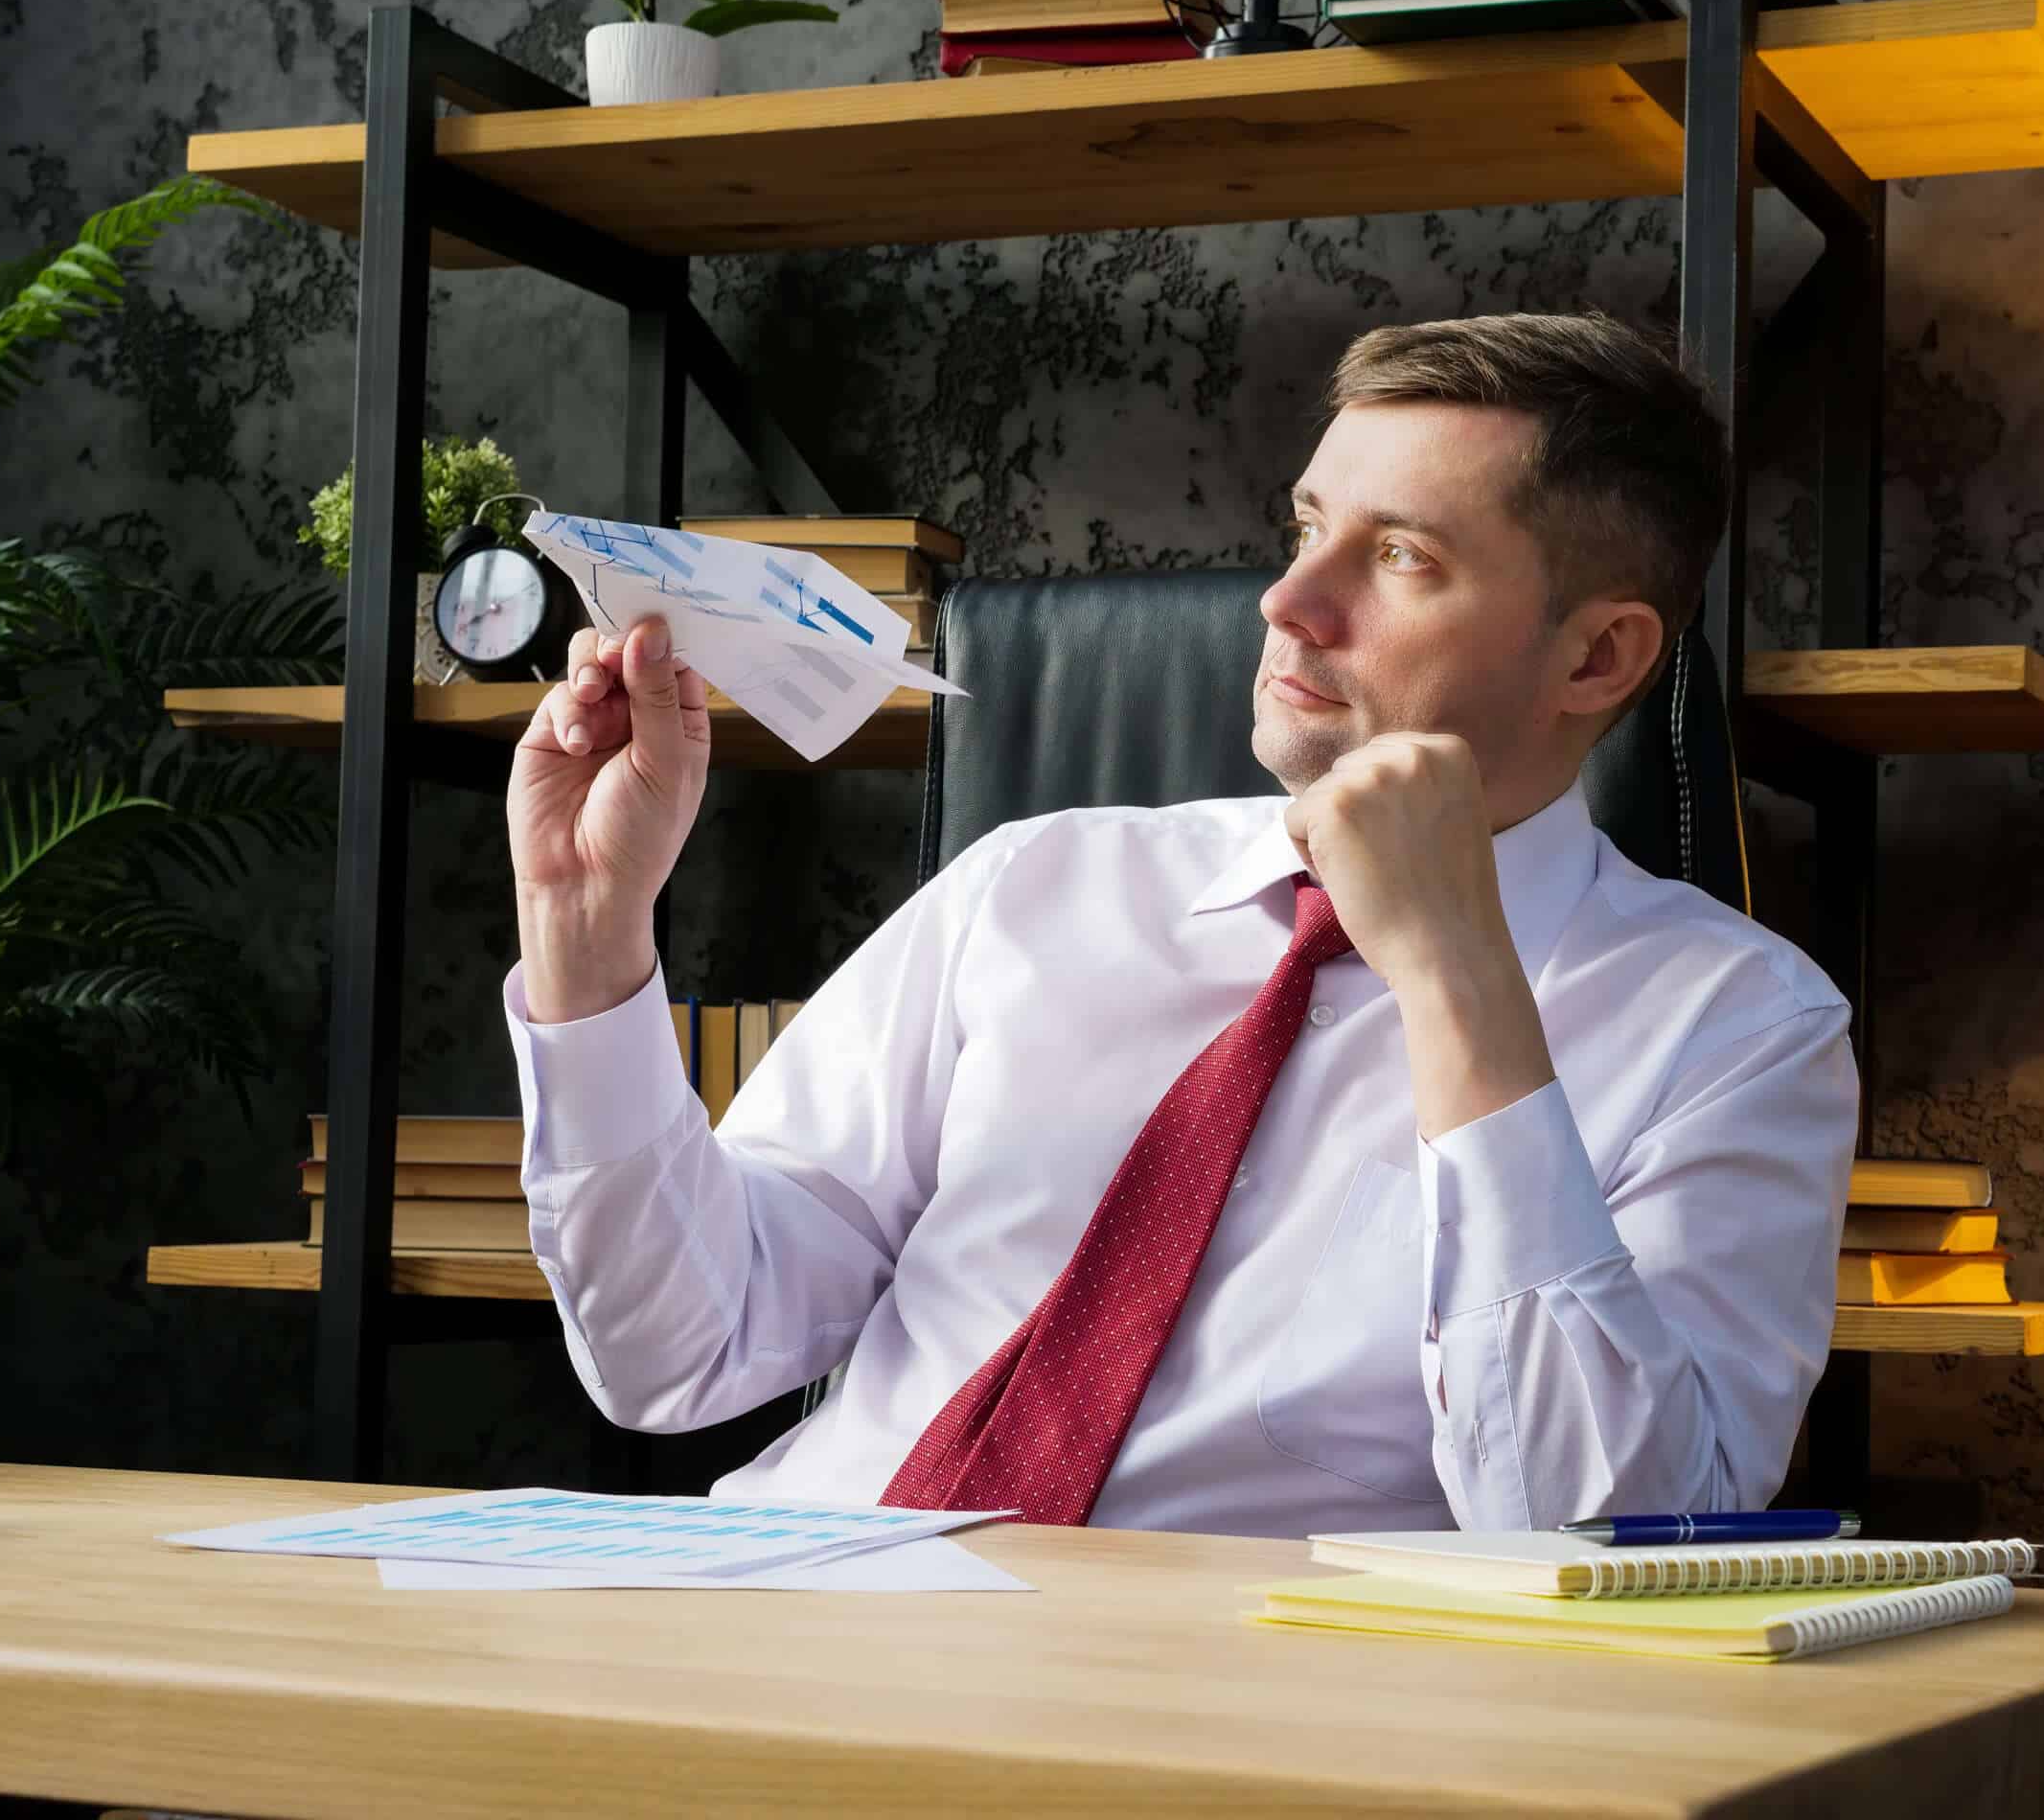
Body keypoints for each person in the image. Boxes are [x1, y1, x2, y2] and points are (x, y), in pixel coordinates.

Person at [502, 311, 1859, 1539]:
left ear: (1597, 657)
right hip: (793, 1610)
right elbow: (673, 1356)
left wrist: (1457, 982)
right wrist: (588, 932)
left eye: (1399, 557)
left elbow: (1599, 1532)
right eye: (1305, 527)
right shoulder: (1030, 888)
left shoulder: (1739, 1031)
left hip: (1210, 1721)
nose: (1287, 602)